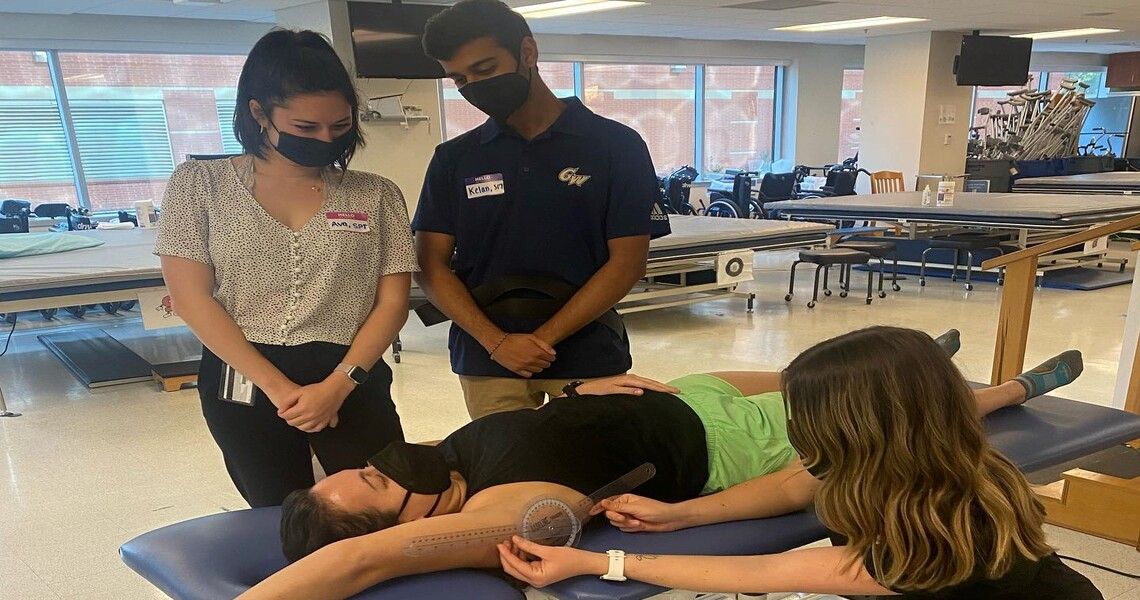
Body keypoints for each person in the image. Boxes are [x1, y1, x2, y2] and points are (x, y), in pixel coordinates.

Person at [236, 329, 1087, 599]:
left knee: (803, 390)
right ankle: (941, 379)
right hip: (702, 423)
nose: (385, 462)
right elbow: (357, 557)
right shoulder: (939, 495)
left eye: (364, 469)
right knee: (816, 394)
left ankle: (947, 380)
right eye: (377, 481)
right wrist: (639, 536)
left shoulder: (924, 536)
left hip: (684, 398)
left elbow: (789, 569)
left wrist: (573, 394)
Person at [497, 327, 1101, 599]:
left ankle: (1021, 386)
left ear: (854, 429)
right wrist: (680, 514)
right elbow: (791, 488)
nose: (790, 423)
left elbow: (763, 574)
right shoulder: (900, 460)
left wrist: (597, 561)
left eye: (802, 413)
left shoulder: (922, 543)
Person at [156, 29, 418, 508]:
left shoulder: (376, 194)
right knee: (279, 512)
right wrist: (279, 390)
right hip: (244, 373)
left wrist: (338, 386)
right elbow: (193, 298)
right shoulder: (199, 184)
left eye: (339, 127)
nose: (325, 139)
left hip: (351, 371)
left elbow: (393, 302)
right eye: (306, 127)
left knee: (383, 506)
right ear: (259, 113)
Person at [412, 0, 670, 419]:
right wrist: (498, 343)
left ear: (527, 52)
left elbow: (627, 262)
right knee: (508, 476)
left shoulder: (615, 146)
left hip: (588, 348)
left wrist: (540, 340)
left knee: (593, 471)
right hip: (488, 357)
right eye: (458, 78)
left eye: (485, 69)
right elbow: (429, 265)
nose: (473, 86)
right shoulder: (454, 158)